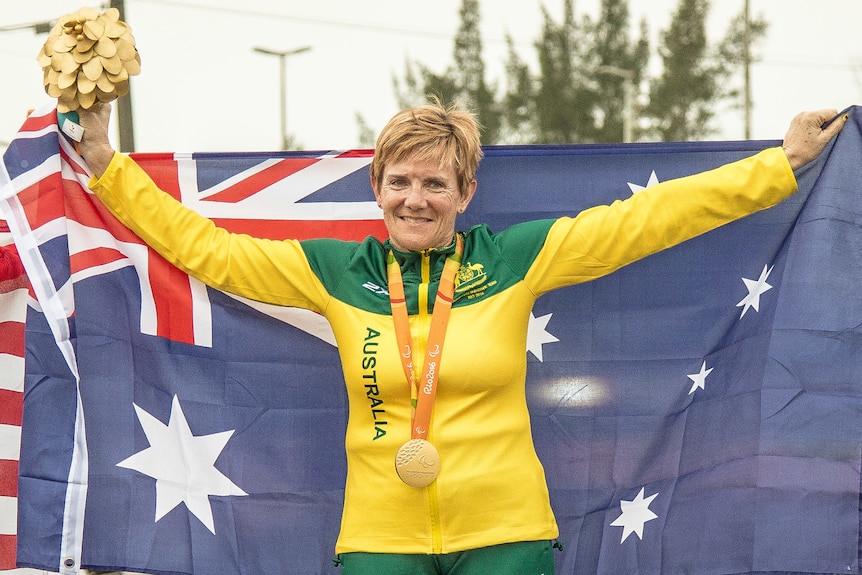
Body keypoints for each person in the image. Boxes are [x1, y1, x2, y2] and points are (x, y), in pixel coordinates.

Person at [75, 99, 844, 575]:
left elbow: (645, 221)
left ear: (466, 192)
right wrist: (107, 163)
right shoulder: (335, 272)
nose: (416, 199)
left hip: (508, 535)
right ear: (375, 188)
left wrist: (780, 165)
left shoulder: (511, 259)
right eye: (400, 181)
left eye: (435, 182)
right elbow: (205, 247)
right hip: (380, 539)